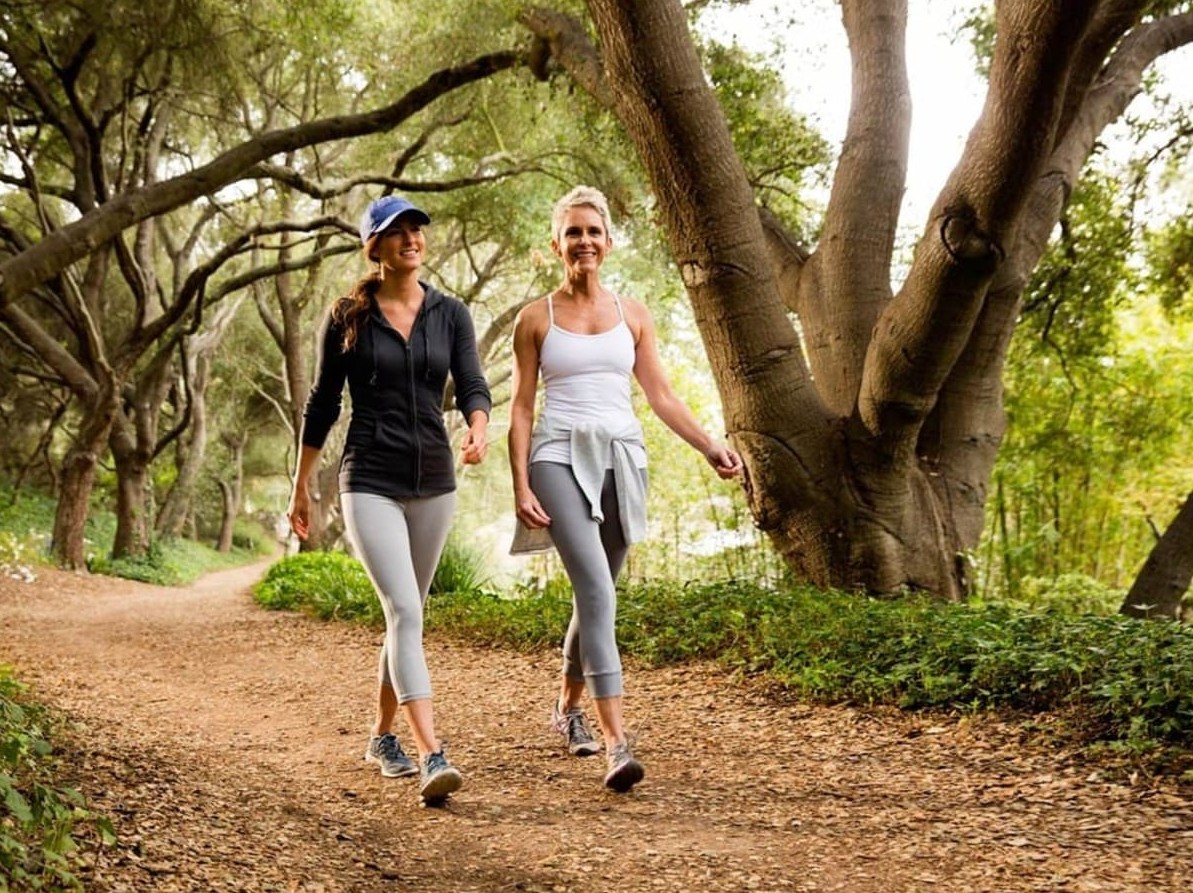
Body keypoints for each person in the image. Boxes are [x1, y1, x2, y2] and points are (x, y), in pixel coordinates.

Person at [508, 185, 743, 792]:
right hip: (557, 457)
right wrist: (518, 483)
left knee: (600, 591)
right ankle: (617, 742)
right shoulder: (536, 318)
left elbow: (660, 396)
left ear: (609, 242)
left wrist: (710, 443)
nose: (583, 241)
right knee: (594, 586)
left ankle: (566, 709)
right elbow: (522, 408)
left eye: (594, 232)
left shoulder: (633, 315)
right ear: (554, 244)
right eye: (572, 232)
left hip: (621, 457)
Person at [288, 194, 491, 806]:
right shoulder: (347, 315)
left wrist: (479, 426)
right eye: (397, 231)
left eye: (417, 229)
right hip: (368, 476)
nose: (411, 238)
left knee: (408, 614)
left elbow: (473, 383)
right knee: (405, 611)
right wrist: (301, 483)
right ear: (373, 245)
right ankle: (433, 753)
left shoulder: (450, 314)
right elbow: (323, 404)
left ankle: (381, 736)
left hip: (434, 478)